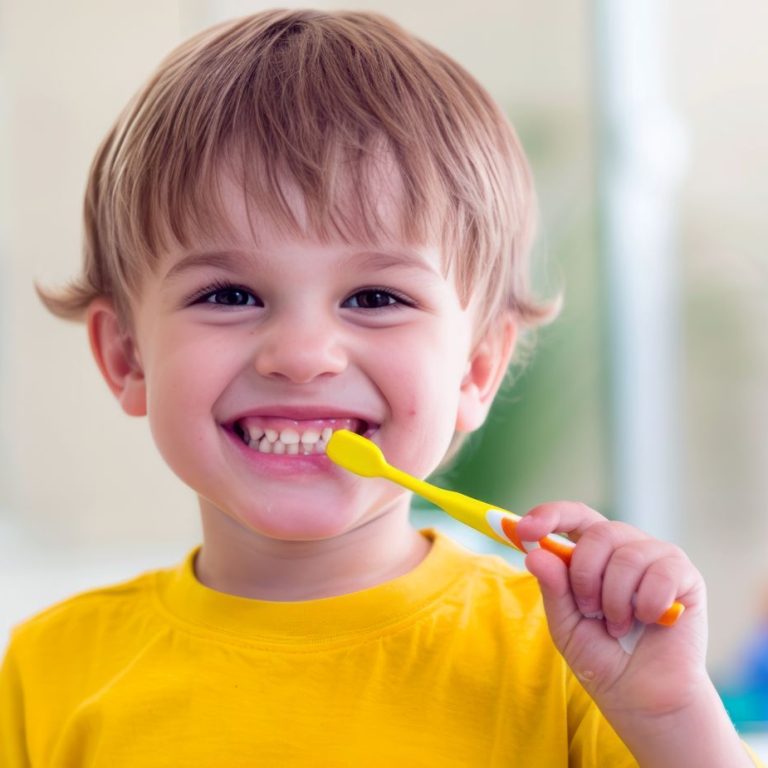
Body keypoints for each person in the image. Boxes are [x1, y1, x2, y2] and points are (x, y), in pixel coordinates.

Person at [0, 9, 761, 766]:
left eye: (374, 298)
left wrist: (669, 714)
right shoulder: (49, 670)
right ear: (127, 357)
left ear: (476, 368)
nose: (301, 356)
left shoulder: (577, 661)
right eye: (229, 295)